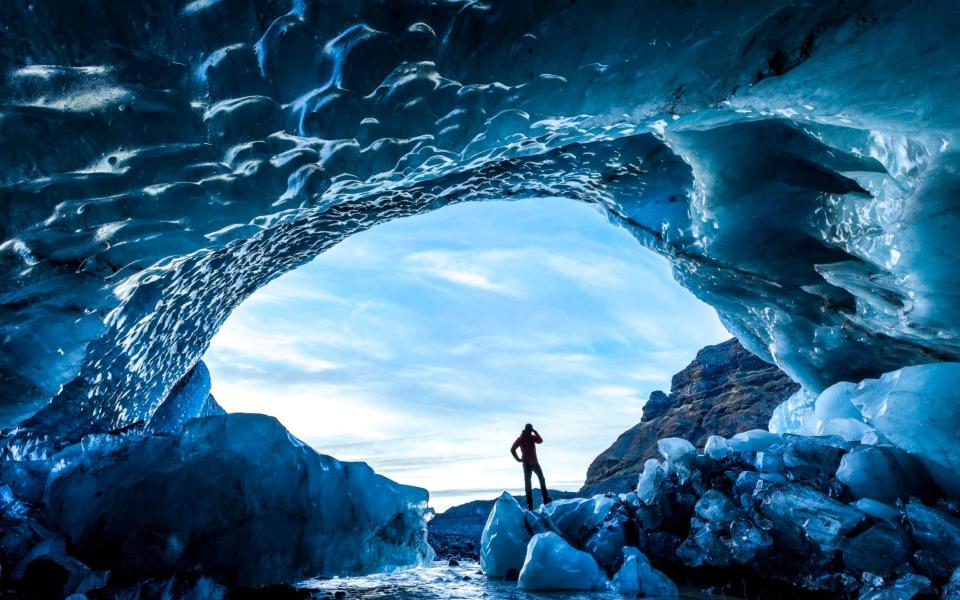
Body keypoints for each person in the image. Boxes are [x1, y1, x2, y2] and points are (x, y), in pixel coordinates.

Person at [510, 423, 551, 510]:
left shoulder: (521, 439)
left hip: (527, 464)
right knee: (540, 479)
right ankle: (545, 499)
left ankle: (530, 504)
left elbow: (512, 449)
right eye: (531, 429)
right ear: (530, 429)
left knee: (528, 482)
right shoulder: (530, 437)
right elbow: (540, 440)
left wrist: (518, 459)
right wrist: (535, 432)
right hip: (533, 463)